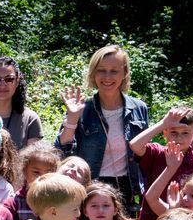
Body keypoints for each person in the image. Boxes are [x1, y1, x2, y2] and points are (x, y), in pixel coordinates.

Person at [58, 44, 151, 210]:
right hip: (89, 186)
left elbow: (145, 156)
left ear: (124, 73)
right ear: (93, 73)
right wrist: (72, 118)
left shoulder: (139, 108)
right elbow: (62, 151)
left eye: (114, 70)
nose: (107, 76)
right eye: (101, 70)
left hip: (128, 187)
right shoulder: (81, 108)